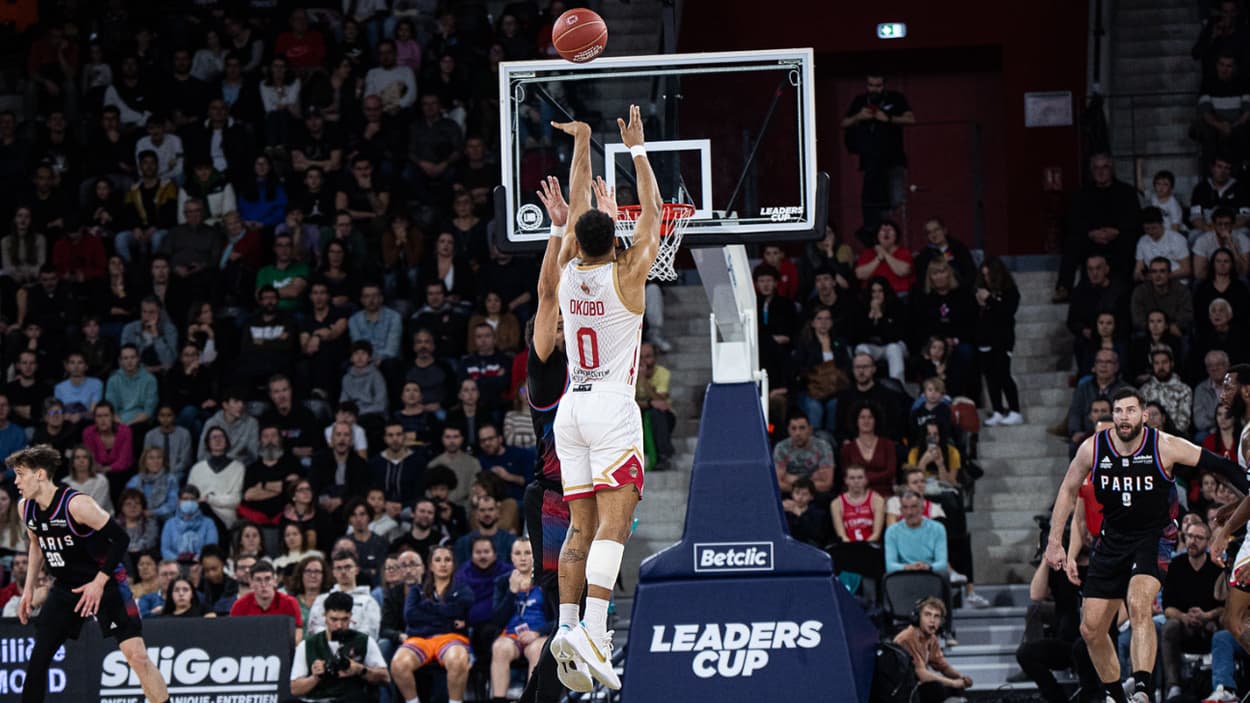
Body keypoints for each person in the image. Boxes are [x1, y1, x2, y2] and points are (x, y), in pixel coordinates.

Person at [1045, 388, 1250, 703]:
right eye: (1118, 411)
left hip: (1154, 536)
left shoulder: (1164, 445)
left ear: (1143, 415)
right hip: (1112, 538)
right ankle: (1117, 695)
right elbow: (1068, 490)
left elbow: (1218, 465)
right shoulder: (1093, 448)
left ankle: (1142, 689)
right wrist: (1054, 542)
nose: (1123, 418)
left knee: (1139, 603)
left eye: (1130, 411)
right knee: (1090, 629)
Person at [8, 445, 170, 703]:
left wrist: (98, 582)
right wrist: (28, 589)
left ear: (39, 474)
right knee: (38, 659)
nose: (15, 481)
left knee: (137, 656)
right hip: (65, 587)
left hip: (105, 583)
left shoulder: (77, 505)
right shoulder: (24, 507)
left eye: (20, 474)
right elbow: (36, 545)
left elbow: (120, 539)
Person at [390, 545, 473, 703]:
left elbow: (461, 610)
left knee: (458, 660)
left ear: (453, 564)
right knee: (398, 664)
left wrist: (426, 609)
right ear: (430, 565)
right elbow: (410, 616)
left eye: (447, 560)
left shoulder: (463, 589)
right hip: (420, 639)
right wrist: (446, 615)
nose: (443, 564)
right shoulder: (417, 590)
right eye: (438, 560)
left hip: (451, 638)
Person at [1158, 520, 1223, 700]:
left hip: (1210, 623)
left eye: (1199, 538)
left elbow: (1225, 607)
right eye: (1190, 536)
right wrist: (1184, 617)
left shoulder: (1216, 568)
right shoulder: (1176, 565)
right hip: (1183, 625)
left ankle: (1220, 687)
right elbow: (1168, 608)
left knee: (1221, 630)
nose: (1193, 541)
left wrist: (1207, 615)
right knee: (1169, 627)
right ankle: (1173, 687)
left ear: (1208, 542)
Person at [840, 73, 914, 231]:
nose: (874, 89)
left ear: (884, 85)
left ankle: (890, 230)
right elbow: (844, 123)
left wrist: (888, 118)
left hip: (893, 159)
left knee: (895, 200)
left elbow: (910, 119)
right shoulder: (860, 101)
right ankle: (877, 232)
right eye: (871, 85)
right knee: (873, 203)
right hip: (870, 161)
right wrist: (859, 116)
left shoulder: (895, 98)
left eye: (878, 86)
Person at [290, 591, 390, 703]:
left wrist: (360, 670)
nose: (339, 626)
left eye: (344, 620)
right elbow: (295, 689)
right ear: (325, 616)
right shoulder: (308, 645)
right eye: (334, 619)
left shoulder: (364, 641)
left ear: (351, 616)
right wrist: (315, 677)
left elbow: (385, 678)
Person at [490, 538, 551, 702]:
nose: (523, 558)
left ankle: (531, 699)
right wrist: (511, 592)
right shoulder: (502, 582)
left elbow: (557, 618)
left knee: (537, 650)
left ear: (535, 556)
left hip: (538, 635)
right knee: (499, 647)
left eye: (527, 553)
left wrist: (537, 632)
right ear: (511, 557)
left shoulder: (546, 581)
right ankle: (499, 699)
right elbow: (497, 619)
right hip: (511, 635)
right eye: (518, 553)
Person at [893, 597, 972, 703]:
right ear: (918, 617)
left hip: (916, 687)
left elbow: (942, 666)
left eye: (936, 616)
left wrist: (960, 677)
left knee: (953, 688)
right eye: (927, 614)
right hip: (902, 692)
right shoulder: (907, 638)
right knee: (935, 688)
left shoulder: (931, 638)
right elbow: (922, 675)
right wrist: (953, 682)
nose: (932, 620)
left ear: (941, 621)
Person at [975, 257, 1023, 426]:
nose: (986, 279)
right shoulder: (979, 291)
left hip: (1003, 340)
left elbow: (1006, 313)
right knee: (990, 376)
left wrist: (990, 300)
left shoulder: (1010, 291)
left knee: (1003, 374)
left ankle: (1015, 410)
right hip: (984, 340)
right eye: (984, 276)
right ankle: (997, 410)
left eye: (989, 275)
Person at [306, 551, 382, 640]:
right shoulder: (321, 599)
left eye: (348, 567)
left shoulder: (369, 602)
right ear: (333, 572)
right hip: (325, 648)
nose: (343, 572)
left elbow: (371, 633)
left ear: (356, 570)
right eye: (338, 568)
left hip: (357, 650)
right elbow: (313, 629)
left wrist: (345, 639)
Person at [229, 559, 304, 642]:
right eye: (258, 579)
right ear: (251, 582)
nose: (263, 585)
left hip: (283, 648)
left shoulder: (290, 602)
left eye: (267, 579)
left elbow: (298, 632)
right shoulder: (240, 605)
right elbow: (233, 634)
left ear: (275, 581)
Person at [773, 413, 835, 497]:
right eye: (793, 428)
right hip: (789, 494)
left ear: (810, 430)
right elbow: (777, 483)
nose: (797, 433)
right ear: (788, 430)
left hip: (816, 495)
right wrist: (810, 482)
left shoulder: (823, 446)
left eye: (802, 428)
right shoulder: (781, 447)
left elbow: (827, 483)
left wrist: (793, 479)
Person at [160, 485, 218, 563]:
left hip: (201, 565)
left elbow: (211, 548)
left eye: (193, 499)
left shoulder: (208, 523)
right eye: (185, 499)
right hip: (175, 566)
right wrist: (179, 561)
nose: (189, 502)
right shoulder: (169, 524)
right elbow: (165, 550)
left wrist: (196, 560)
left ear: (198, 501)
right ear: (178, 502)